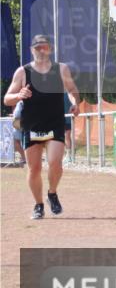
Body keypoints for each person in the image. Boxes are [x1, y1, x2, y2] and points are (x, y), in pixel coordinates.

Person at [3, 35, 80, 219]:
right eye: (38, 48)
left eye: (45, 47)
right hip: (31, 125)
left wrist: (75, 102)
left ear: (50, 49)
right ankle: (38, 205)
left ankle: (52, 193)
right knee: (34, 168)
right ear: (32, 50)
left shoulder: (61, 69)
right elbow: (7, 98)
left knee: (55, 163)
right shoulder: (23, 72)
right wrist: (19, 95)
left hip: (54, 122)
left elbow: (72, 90)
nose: (42, 50)